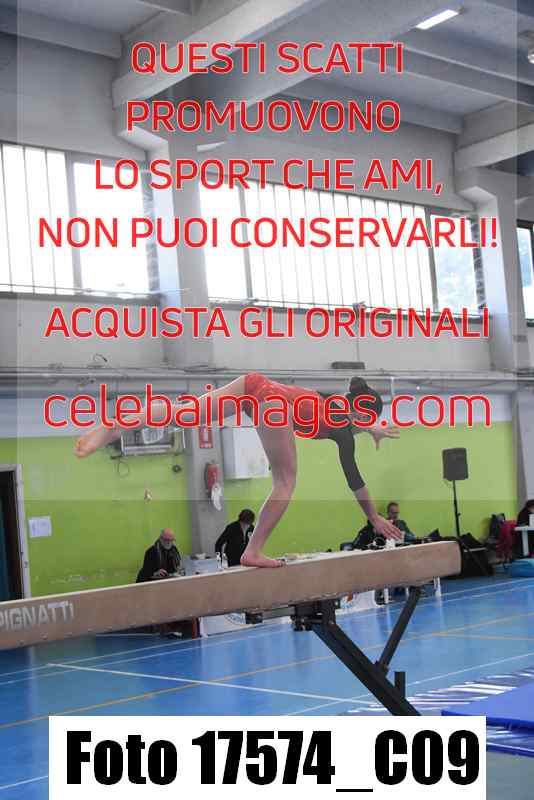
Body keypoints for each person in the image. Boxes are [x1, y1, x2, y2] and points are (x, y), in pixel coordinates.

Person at [75, 372, 402, 568]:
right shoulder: (343, 429)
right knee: (285, 482)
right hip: (273, 403)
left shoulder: (336, 405)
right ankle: (253, 551)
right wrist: (373, 517)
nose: (363, 424)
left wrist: (371, 429)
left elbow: (348, 418)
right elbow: (354, 478)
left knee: (188, 413)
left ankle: (118, 424)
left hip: (252, 384)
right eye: (366, 419)